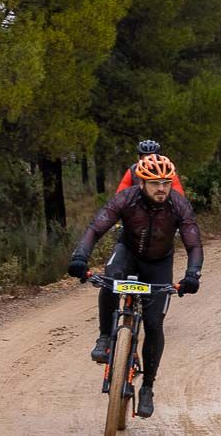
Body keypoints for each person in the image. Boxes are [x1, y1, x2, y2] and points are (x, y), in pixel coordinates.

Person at [68, 154, 202, 419]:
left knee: (154, 324)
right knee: (110, 279)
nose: (161, 188)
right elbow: (96, 228)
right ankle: (106, 337)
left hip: (159, 263)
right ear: (142, 183)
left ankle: (148, 388)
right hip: (128, 252)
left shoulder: (179, 205)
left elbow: (194, 244)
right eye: (154, 183)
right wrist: (79, 257)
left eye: (166, 182)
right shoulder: (126, 199)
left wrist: (192, 274)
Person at [116, 139, 185, 195]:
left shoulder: (167, 169)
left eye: (152, 156)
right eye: (144, 157)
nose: (148, 160)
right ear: (139, 158)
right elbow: (120, 193)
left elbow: (178, 194)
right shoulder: (133, 170)